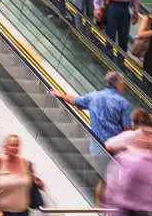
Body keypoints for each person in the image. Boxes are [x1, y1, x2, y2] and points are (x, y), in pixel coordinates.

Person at [51, 71, 132, 205]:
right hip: (117, 149)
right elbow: (127, 130)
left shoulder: (94, 96)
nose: (124, 86)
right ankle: (114, 211)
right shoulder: (123, 103)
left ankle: (101, 208)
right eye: (123, 83)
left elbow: (75, 101)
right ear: (119, 84)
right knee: (117, 181)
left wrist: (61, 95)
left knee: (104, 180)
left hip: (97, 147)